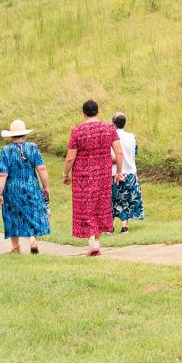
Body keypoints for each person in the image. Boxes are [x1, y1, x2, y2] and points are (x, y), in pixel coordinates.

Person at [62, 99, 122, 256]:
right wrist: (119, 171)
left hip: (83, 177)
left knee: (86, 207)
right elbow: (119, 152)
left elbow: (70, 158)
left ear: (83, 113)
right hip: (103, 175)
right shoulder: (109, 128)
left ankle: (92, 241)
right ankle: (96, 242)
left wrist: (65, 174)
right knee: (100, 207)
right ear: (98, 112)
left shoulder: (77, 131)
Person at [0, 119, 50, 254]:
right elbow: (41, 168)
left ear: (11, 135)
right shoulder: (32, 147)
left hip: (12, 188)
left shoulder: (6, 150)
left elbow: (2, 174)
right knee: (32, 212)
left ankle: (15, 247)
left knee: (12, 215)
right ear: (25, 134)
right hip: (31, 186)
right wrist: (46, 186)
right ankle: (32, 240)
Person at [109, 112, 144, 233]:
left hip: (115, 172)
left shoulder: (111, 137)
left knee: (113, 200)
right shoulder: (132, 136)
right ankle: (125, 226)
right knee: (127, 200)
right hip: (130, 172)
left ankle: (110, 226)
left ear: (113, 124)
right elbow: (134, 153)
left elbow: (110, 156)